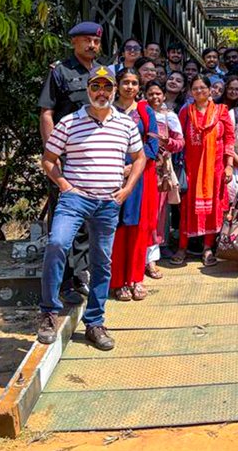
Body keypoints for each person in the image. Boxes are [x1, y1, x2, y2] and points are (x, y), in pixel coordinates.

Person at [38, 66, 145, 351]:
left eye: (107, 88)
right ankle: (49, 312)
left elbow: (140, 158)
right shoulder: (69, 123)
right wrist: (63, 184)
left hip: (108, 202)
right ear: (88, 91)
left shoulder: (125, 124)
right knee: (57, 244)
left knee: (102, 261)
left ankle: (95, 322)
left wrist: (127, 190)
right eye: (96, 88)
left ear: (113, 91)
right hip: (75, 199)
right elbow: (48, 158)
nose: (102, 93)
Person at [38, 20, 103, 305]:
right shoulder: (60, 72)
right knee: (64, 221)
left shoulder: (102, 73)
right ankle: (63, 283)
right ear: (74, 42)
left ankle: (81, 276)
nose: (92, 45)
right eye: (87, 40)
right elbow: (47, 113)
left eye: (96, 41)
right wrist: (54, 151)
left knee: (91, 221)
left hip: (95, 158)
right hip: (68, 158)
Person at [109, 68, 160, 302]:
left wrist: (134, 166)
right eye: (125, 82)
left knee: (138, 228)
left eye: (134, 83)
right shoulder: (107, 110)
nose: (130, 87)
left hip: (140, 177)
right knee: (116, 228)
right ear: (117, 85)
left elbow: (152, 145)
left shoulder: (144, 111)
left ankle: (136, 278)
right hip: (110, 175)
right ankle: (118, 281)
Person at [174, 74, 235, 268]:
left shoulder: (221, 111)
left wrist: (229, 165)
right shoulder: (186, 112)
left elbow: (229, 140)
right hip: (191, 168)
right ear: (190, 92)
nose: (199, 91)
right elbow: (179, 138)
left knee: (212, 209)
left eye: (203, 88)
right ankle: (182, 247)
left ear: (210, 90)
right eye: (195, 88)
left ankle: (208, 248)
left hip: (215, 169)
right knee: (187, 208)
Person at [144, 81, 183, 279]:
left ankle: (151, 259)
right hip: (139, 169)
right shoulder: (138, 113)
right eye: (150, 93)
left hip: (160, 173)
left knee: (157, 214)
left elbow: (180, 143)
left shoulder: (169, 117)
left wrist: (167, 143)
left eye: (158, 93)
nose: (155, 97)